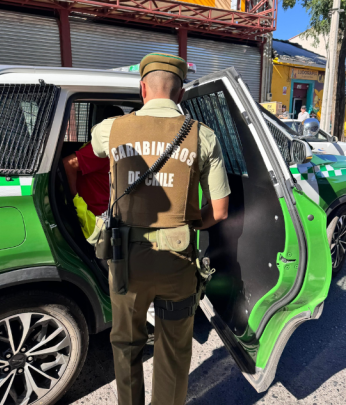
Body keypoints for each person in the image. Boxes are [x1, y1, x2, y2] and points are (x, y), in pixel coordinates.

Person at [90, 53, 230, 405]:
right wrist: (189, 221)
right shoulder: (204, 136)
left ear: (142, 89)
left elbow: (93, 148)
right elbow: (220, 211)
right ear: (180, 94)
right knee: (174, 349)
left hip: (127, 263)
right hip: (177, 262)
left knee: (126, 344)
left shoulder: (111, 129)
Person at [63, 106, 124, 219]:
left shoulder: (117, 147)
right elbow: (68, 164)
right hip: (95, 216)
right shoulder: (101, 149)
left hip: (108, 210)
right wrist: (74, 198)